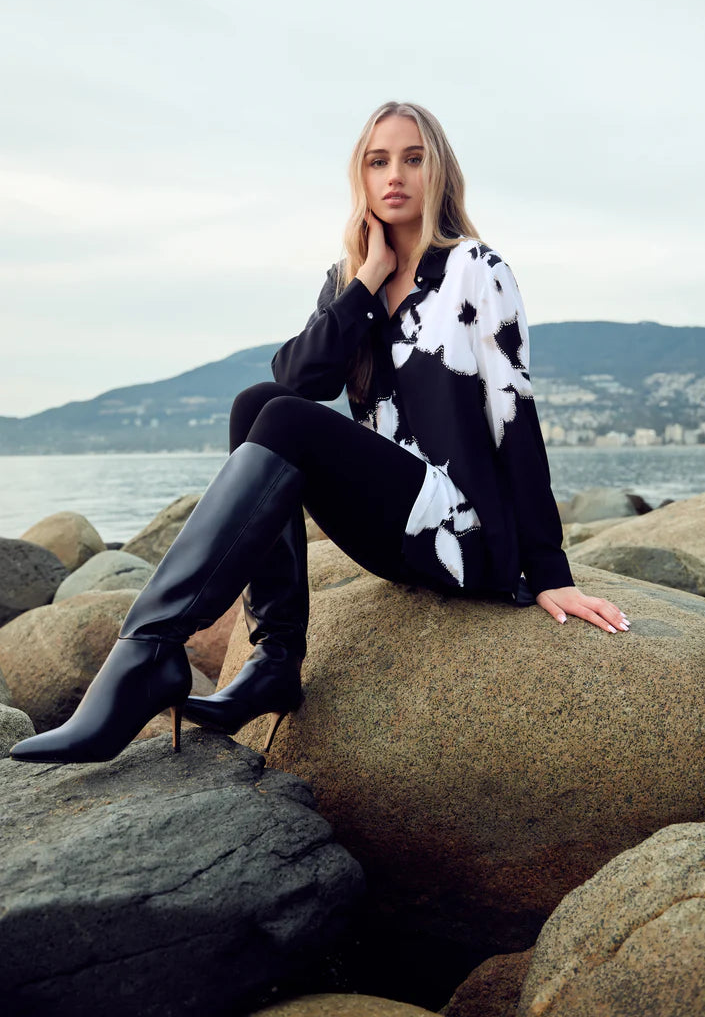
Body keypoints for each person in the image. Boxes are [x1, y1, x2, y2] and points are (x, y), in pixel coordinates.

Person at [10, 101, 630, 765]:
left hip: (464, 534)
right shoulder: (350, 280)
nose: (395, 175)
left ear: (440, 172)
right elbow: (295, 380)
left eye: (413, 159)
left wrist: (550, 571)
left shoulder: (477, 269)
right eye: (378, 161)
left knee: (277, 414)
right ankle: (276, 657)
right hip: (397, 530)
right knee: (258, 402)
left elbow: (516, 421)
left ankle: (145, 653)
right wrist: (365, 281)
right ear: (360, 180)